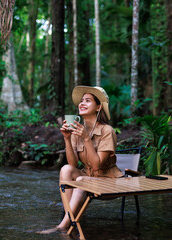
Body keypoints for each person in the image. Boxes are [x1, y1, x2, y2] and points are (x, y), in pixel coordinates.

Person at [40, 86, 123, 234]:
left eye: (88, 101)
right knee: (66, 169)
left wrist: (86, 138)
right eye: (81, 101)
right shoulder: (77, 130)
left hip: (109, 183)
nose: (82, 103)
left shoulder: (107, 131)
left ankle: (62, 227)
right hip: (87, 179)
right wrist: (67, 138)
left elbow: (97, 166)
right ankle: (72, 218)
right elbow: (73, 164)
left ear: (98, 107)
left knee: (80, 181)